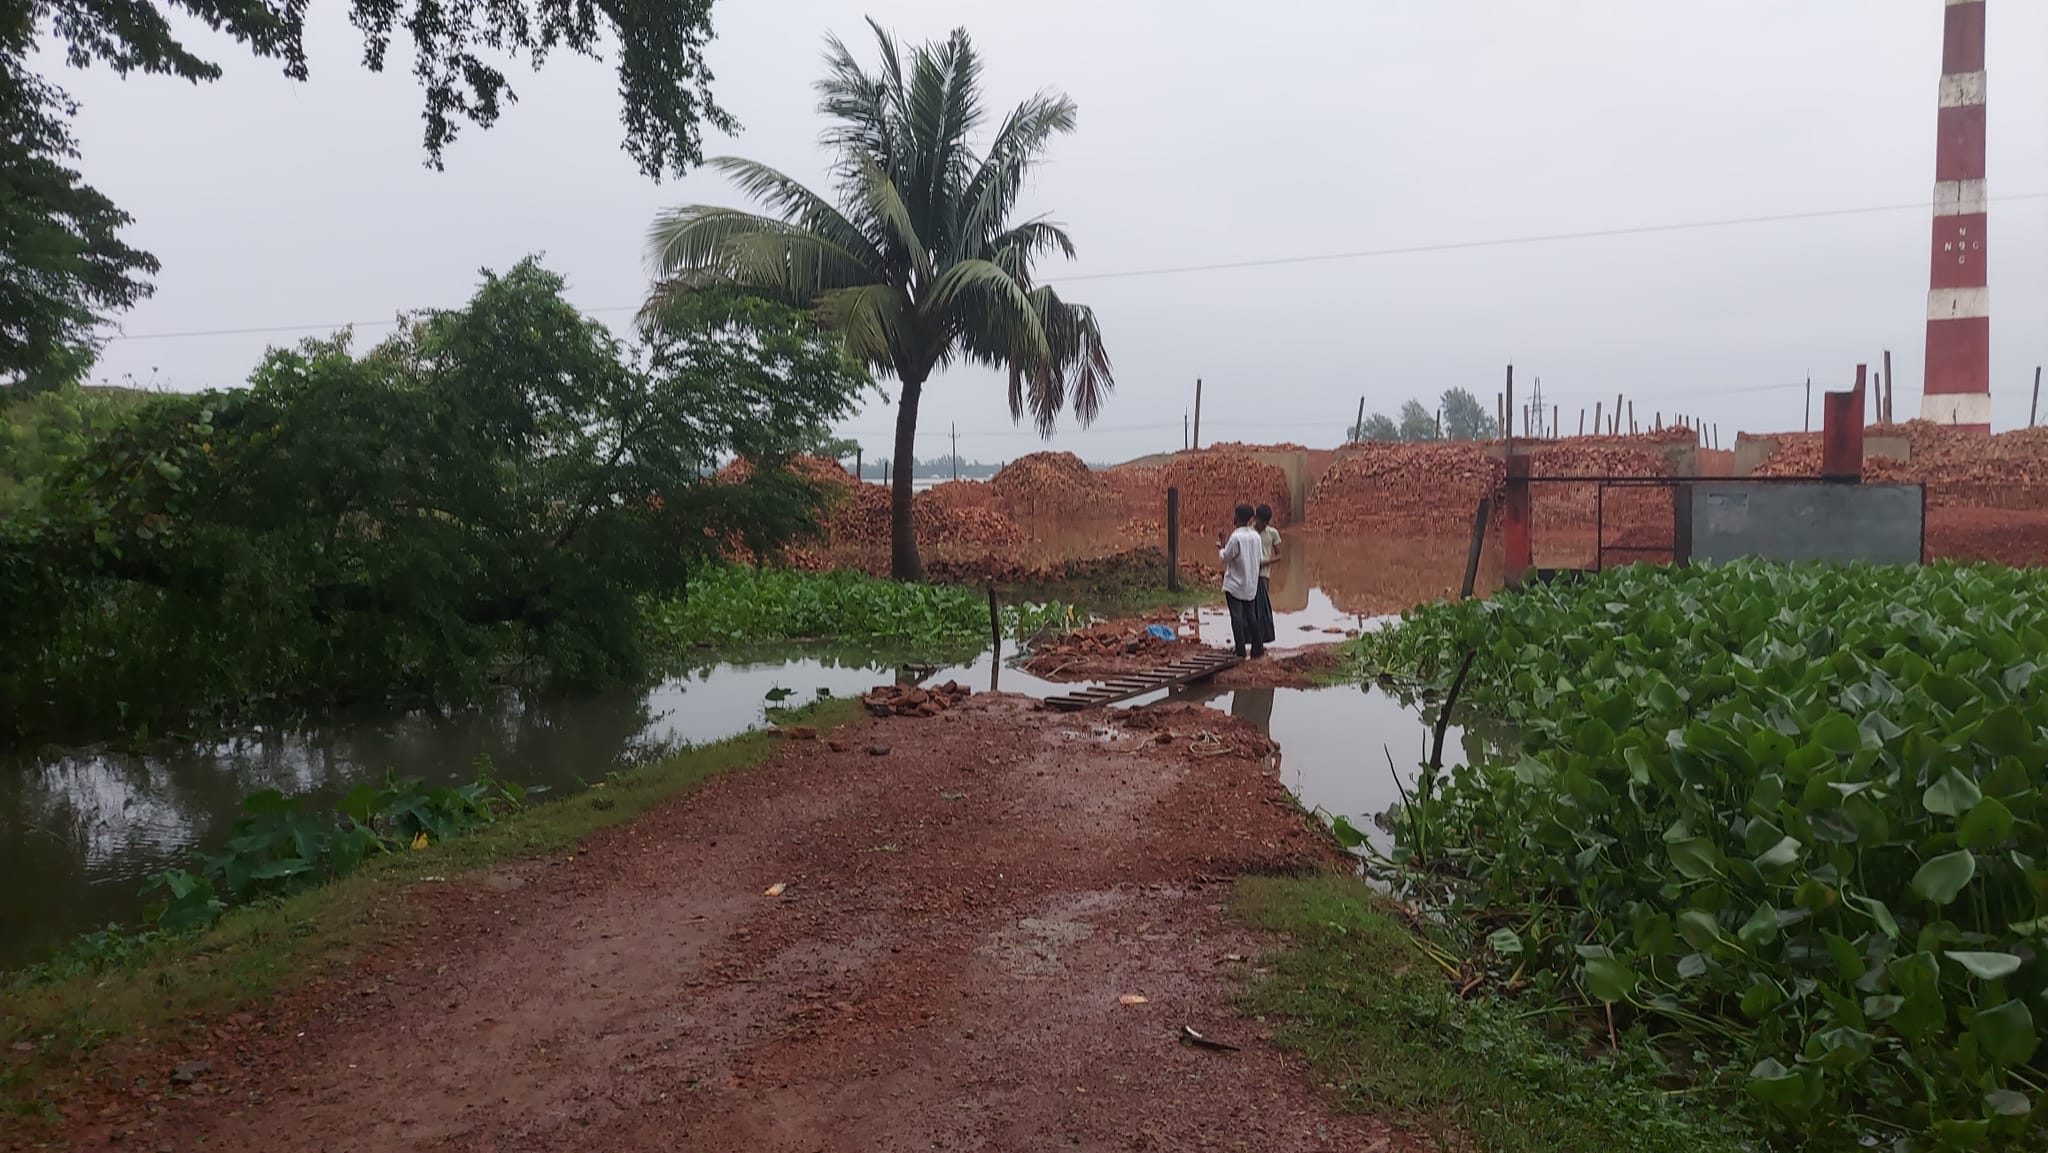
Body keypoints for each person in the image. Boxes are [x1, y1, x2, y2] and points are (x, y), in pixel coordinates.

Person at [1216, 503, 1265, 659]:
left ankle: (1240, 651)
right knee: (1251, 616)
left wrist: (1221, 546)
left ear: (1238, 516)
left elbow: (1225, 557)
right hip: (1250, 584)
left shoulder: (1236, 537)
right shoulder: (1256, 536)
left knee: (1236, 616)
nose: (1234, 516)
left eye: (1235, 514)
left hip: (1235, 584)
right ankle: (1258, 648)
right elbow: (1260, 558)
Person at [1253, 504, 1281, 647]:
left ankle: (1261, 641)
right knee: (1250, 609)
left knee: (1262, 609)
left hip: (1263, 576)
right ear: (1255, 518)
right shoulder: (1249, 532)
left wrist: (1265, 563)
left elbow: (1279, 555)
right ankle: (1253, 640)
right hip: (1250, 576)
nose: (1263, 525)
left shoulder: (1272, 533)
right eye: (1261, 522)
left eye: (1266, 523)